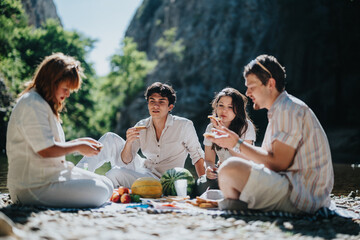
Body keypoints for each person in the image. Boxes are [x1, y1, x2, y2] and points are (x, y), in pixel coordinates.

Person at [205, 54, 334, 214]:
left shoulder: (287, 110)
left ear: (270, 84)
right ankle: (240, 206)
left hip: (301, 195)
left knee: (230, 169)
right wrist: (234, 143)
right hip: (297, 189)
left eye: (251, 86)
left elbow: (278, 164)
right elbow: (271, 158)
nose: (247, 92)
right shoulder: (282, 108)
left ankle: (240, 208)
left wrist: (237, 144)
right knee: (229, 172)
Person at [6, 53, 113, 208]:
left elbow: (49, 143)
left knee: (107, 184)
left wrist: (79, 142)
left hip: (53, 176)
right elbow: (45, 150)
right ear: (51, 82)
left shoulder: (43, 104)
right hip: (33, 187)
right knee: (101, 191)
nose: (68, 94)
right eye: (65, 88)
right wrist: (77, 147)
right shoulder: (32, 103)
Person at [77, 82, 205, 188]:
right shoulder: (141, 125)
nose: (155, 105)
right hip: (143, 170)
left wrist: (203, 187)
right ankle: (79, 176)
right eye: (152, 101)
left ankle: (104, 188)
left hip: (164, 181)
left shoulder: (184, 126)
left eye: (161, 101)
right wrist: (128, 143)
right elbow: (126, 161)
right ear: (148, 104)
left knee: (114, 173)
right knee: (110, 138)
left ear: (170, 106)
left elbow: (197, 156)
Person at [197, 87, 256, 194]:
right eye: (221, 105)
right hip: (221, 172)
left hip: (242, 172)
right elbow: (209, 159)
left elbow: (245, 160)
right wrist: (209, 169)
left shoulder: (246, 127)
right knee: (201, 184)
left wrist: (223, 135)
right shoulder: (211, 127)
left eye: (230, 107)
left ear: (238, 110)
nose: (224, 110)